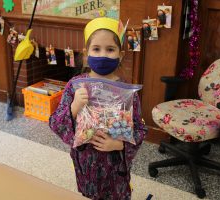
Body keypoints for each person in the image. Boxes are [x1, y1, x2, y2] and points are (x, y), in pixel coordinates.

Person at [49, 17, 147, 200]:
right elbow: (55, 122)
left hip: (115, 167)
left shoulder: (126, 92)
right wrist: (74, 107)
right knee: (88, 195)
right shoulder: (75, 86)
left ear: (121, 55)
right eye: (96, 49)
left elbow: (140, 129)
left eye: (110, 49)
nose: (103, 55)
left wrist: (120, 144)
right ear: (86, 54)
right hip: (86, 164)